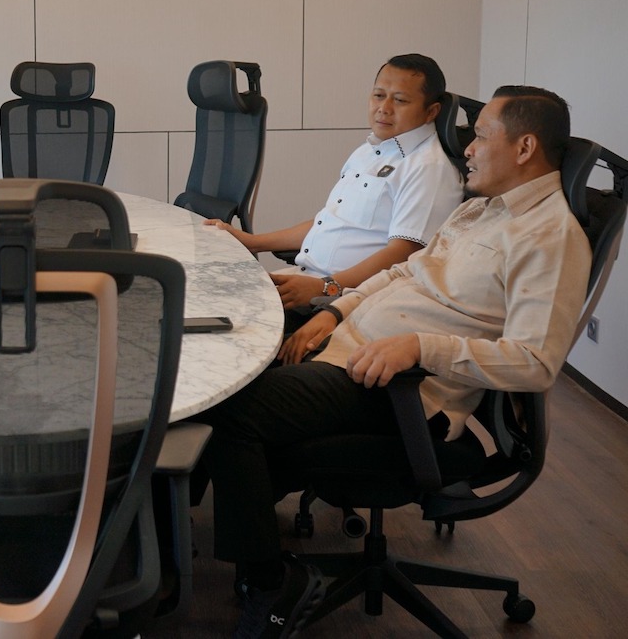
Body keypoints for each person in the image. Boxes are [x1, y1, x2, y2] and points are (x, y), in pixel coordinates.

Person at [196, 86, 592, 638]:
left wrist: (420, 347)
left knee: (232, 411)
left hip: (401, 391)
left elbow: (536, 362)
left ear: (524, 147)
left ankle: (269, 582)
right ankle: (176, 539)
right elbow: (406, 272)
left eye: (481, 136)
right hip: (351, 348)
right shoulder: (479, 209)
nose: (468, 148)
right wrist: (335, 310)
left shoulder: (550, 237)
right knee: (220, 368)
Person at [207, 54, 463, 345]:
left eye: (400, 100)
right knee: (208, 303)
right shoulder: (369, 151)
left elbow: (404, 254)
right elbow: (328, 220)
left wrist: (325, 287)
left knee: (227, 337)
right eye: (378, 95)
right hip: (308, 282)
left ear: (431, 112)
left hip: (344, 300)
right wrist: (252, 242)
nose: (384, 108)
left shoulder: (429, 168)